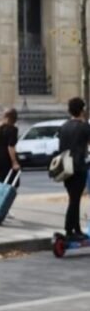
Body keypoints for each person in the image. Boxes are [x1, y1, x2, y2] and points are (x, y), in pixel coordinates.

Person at [57, 96, 90, 239]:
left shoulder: (64, 126)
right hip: (79, 167)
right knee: (74, 199)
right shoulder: (84, 126)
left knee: (73, 197)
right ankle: (69, 229)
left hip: (66, 167)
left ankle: (76, 229)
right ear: (82, 110)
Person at [0, 107, 21, 183]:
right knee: (10, 182)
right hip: (6, 160)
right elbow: (10, 147)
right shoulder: (13, 130)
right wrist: (14, 162)